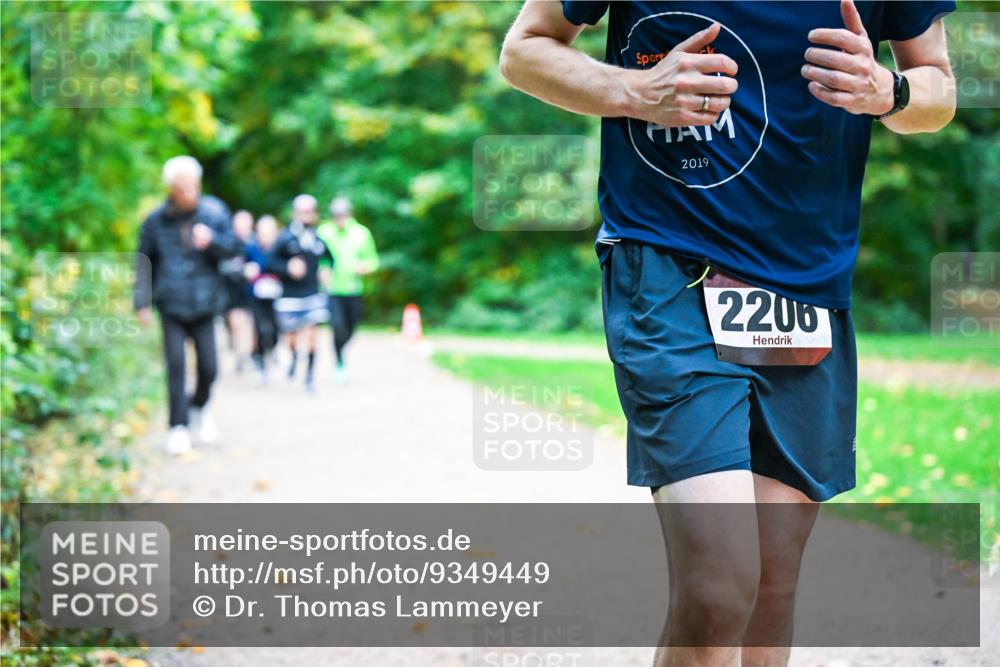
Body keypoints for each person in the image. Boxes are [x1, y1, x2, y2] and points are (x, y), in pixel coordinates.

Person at [499, 1, 956, 665]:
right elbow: (525, 49)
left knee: (771, 588)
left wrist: (892, 91)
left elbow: (937, 87)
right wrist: (633, 90)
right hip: (667, 267)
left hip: (806, 286)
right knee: (719, 590)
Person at [134, 155, 241, 454]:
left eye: (192, 185)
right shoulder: (155, 221)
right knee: (176, 366)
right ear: (171, 189)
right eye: (182, 187)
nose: (188, 192)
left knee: (210, 367)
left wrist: (213, 243)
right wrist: (141, 302)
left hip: (206, 302)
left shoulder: (215, 212)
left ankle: (198, 408)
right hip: (171, 305)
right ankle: (177, 426)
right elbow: (144, 262)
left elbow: (234, 249)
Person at [267, 195, 333, 393]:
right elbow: (270, 263)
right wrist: (288, 267)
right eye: (303, 211)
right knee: (292, 339)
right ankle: (295, 357)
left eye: (310, 211)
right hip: (289, 297)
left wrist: (326, 269)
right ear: (295, 213)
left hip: (312, 295)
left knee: (313, 335)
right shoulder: (285, 237)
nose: (306, 215)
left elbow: (330, 259)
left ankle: (310, 378)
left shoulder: (317, 239)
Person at [317, 196, 379, 382]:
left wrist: (364, 267)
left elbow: (373, 260)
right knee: (337, 326)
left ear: (350, 214)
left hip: (354, 289)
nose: (340, 219)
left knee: (351, 328)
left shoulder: (362, 233)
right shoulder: (324, 232)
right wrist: (322, 269)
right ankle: (339, 361)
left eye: (343, 215)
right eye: (336, 215)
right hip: (332, 289)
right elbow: (318, 257)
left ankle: (341, 351)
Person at [244, 214, 282, 384]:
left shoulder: (280, 248)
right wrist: (248, 271)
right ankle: (258, 357)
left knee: (275, 327)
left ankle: (272, 349)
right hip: (256, 294)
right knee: (259, 327)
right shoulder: (251, 249)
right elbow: (242, 266)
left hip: (275, 294)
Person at [221, 209, 255, 373]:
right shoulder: (227, 243)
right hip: (231, 292)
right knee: (234, 324)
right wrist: (242, 271)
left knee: (247, 325)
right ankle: (239, 353)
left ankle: (245, 355)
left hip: (252, 293)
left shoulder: (254, 243)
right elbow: (222, 266)